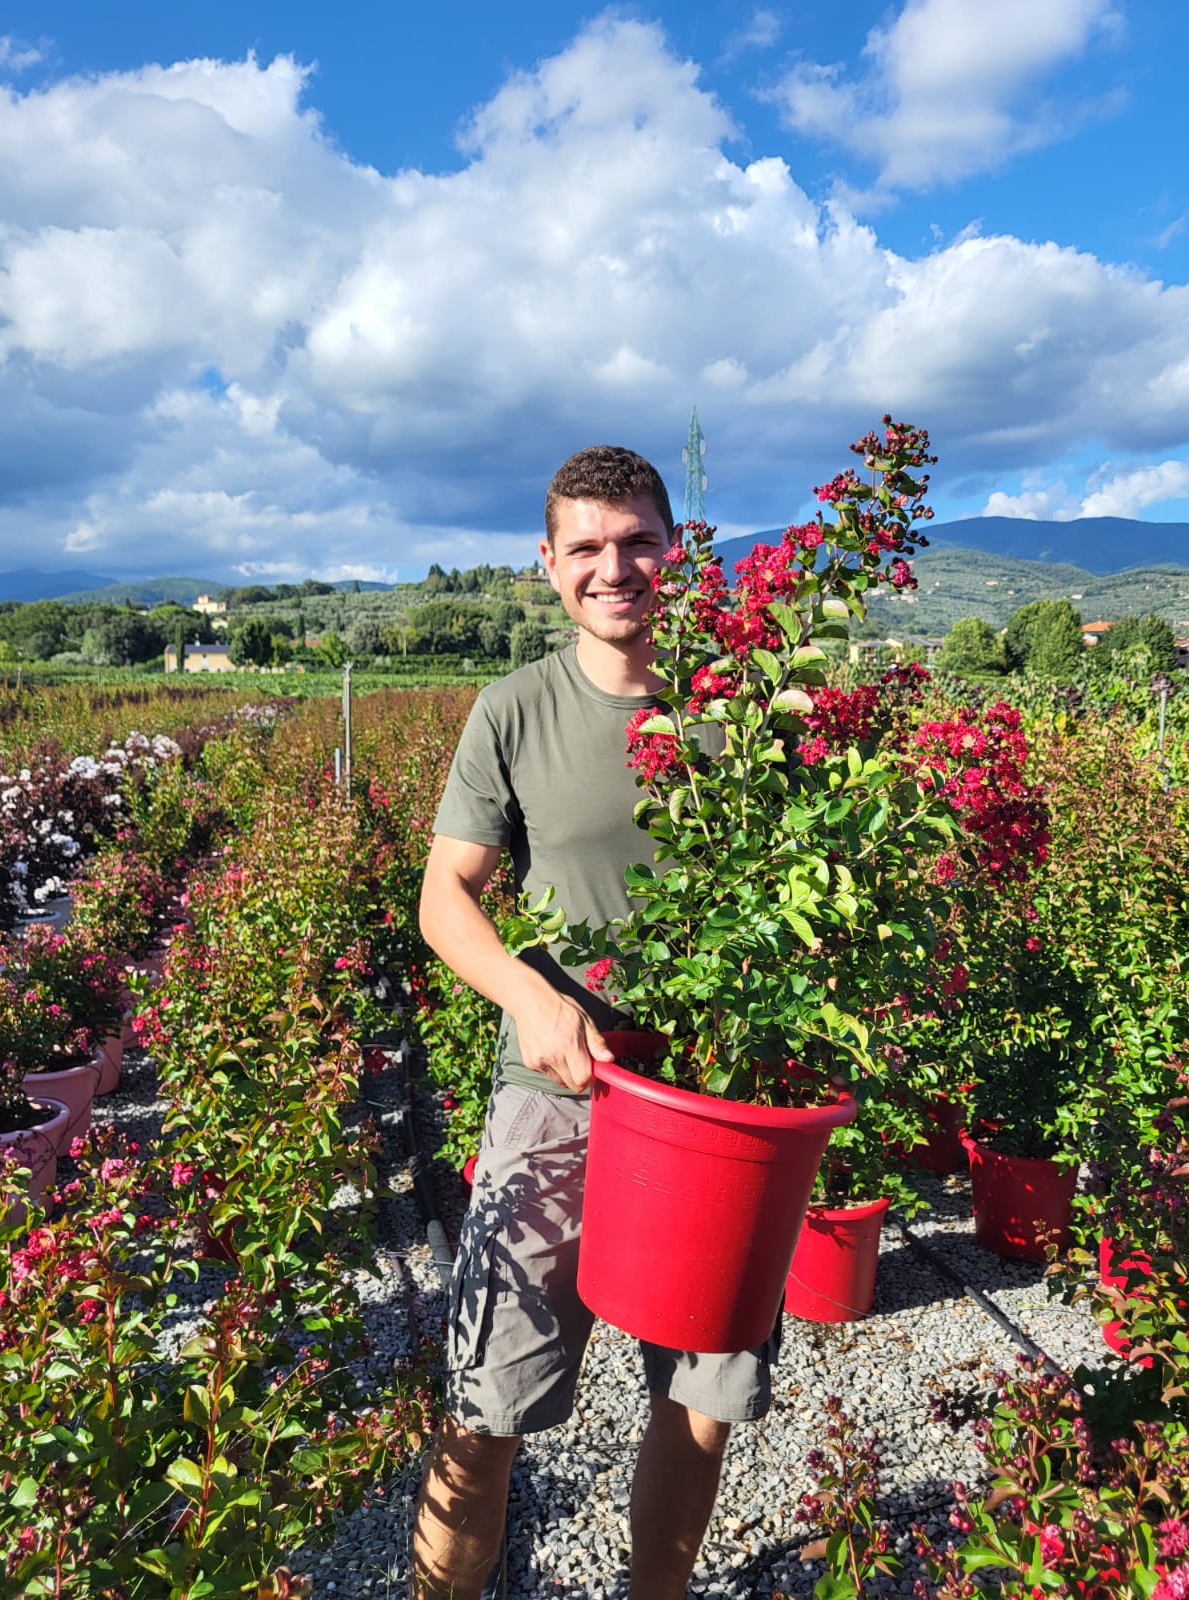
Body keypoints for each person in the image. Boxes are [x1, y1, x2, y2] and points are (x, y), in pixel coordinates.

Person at [411, 446, 778, 1600]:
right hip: (561, 1092)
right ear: (549, 563)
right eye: (586, 547)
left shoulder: (746, 702)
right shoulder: (516, 710)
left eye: (638, 542)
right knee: (487, 1396)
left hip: (717, 1103)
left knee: (704, 1389)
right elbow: (445, 895)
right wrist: (528, 992)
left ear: (675, 549)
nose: (613, 567)